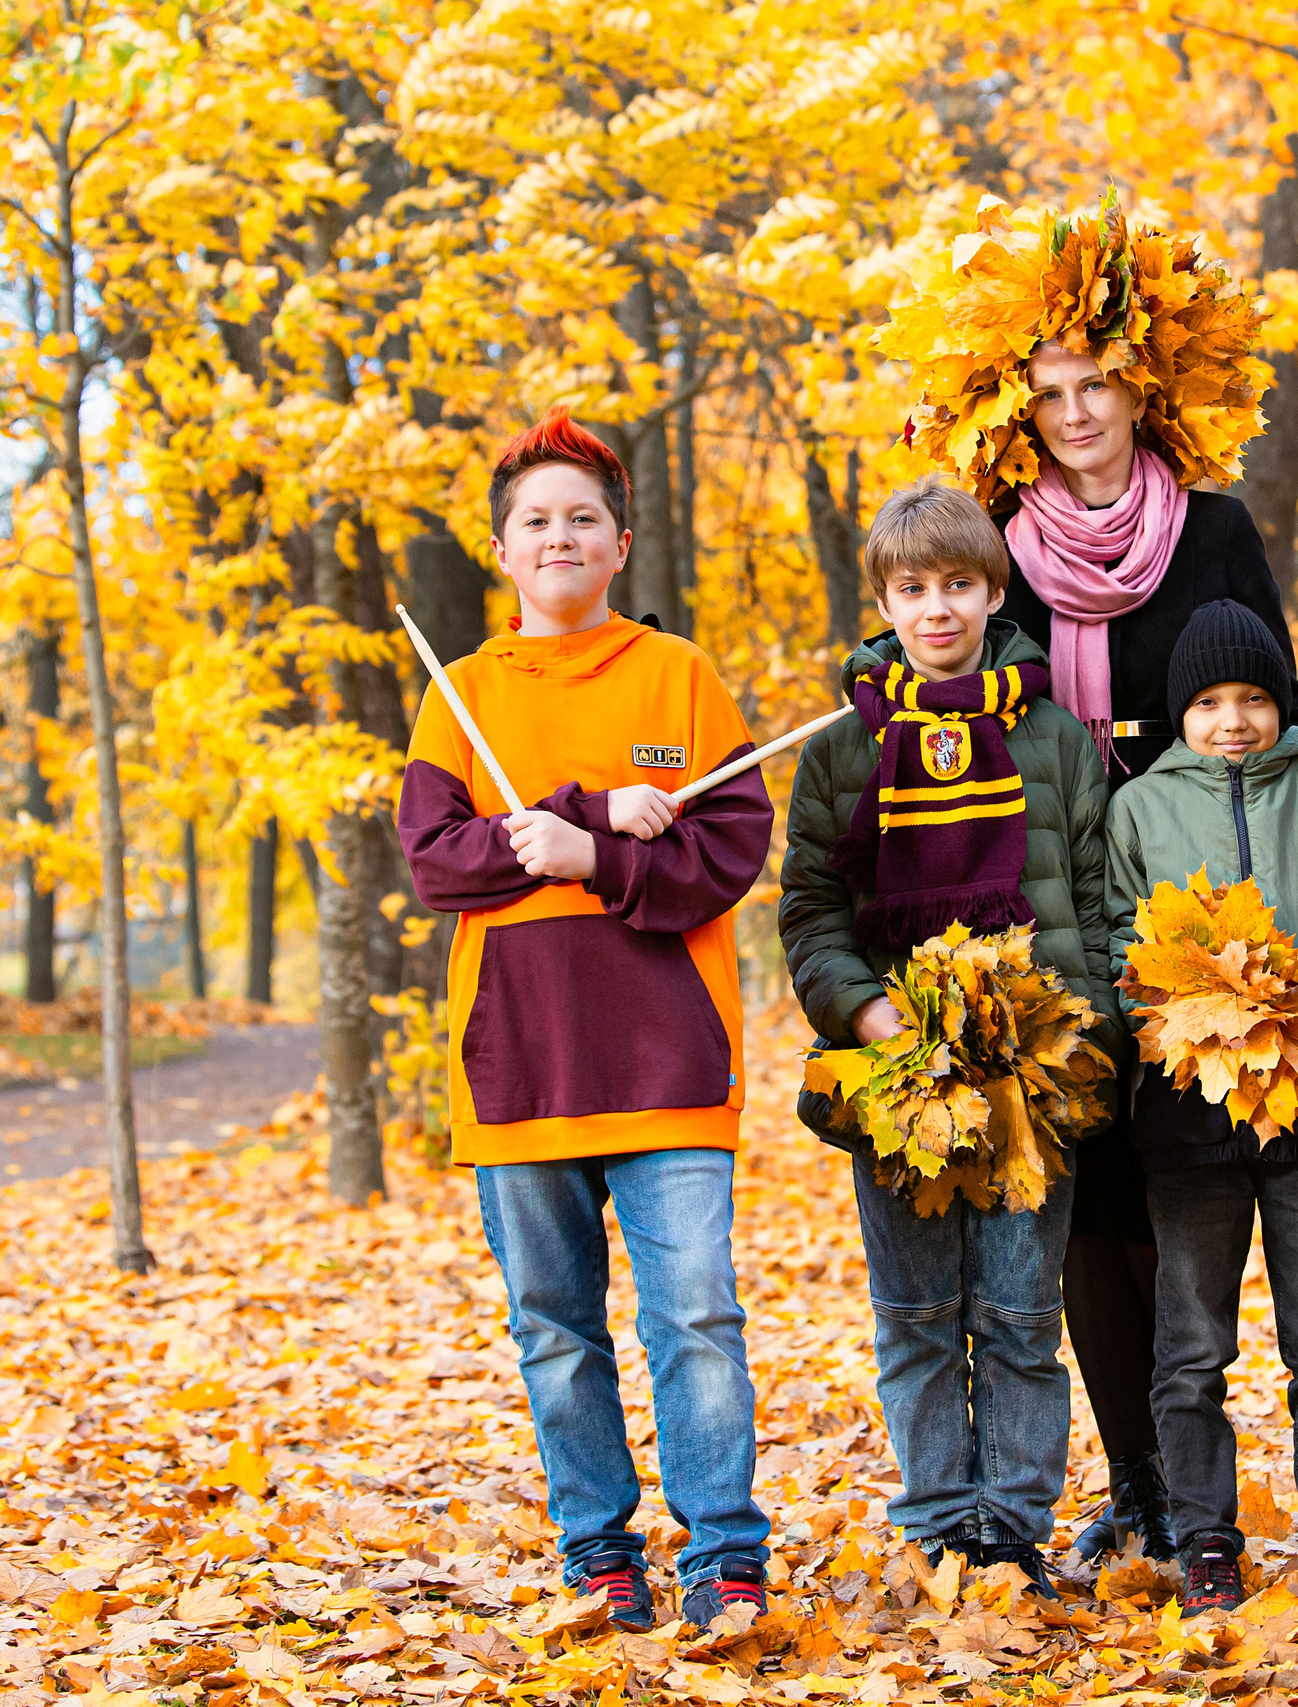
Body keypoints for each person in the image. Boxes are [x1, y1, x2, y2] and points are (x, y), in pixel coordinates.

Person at [397, 412, 776, 1633]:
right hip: (520, 1065)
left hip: (669, 1057)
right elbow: (437, 862)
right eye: (534, 520)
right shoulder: (461, 694)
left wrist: (594, 860)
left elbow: (729, 853)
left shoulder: (679, 677)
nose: (557, 535)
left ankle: (725, 1552)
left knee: (696, 1319)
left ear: (619, 544)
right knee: (555, 1332)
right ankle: (599, 1553)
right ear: (502, 550)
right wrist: (590, 813)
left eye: (582, 517)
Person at [990, 342, 1298, 1563]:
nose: (1075, 413)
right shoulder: (995, 544)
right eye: (1049, 395)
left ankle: (1191, 1478)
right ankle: (1135, 1484)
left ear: (1138, 393)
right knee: (1087, 1200)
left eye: (1096, 386)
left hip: (1192, 903)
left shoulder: (1213, 532)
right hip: (1052, 899)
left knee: (1179, 1194)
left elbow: (1278, 713)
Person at [777, 478, 1116, 1599]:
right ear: (883, 600)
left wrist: (1089, 1041)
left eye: (959, 585)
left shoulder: (1053, 738)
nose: (938, 609)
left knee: (1019, 1313)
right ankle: (934, 1523)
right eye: (914, 588)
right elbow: (811, 912)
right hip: (898, 1074)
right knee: (917, 1313)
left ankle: (1009, 1526)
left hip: (1031, 1073)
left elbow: (1097, 900)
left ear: (993, 592)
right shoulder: (842, 749)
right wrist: (866, 1013)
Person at [1103, 602, 1298, 1614]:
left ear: (1283, 704)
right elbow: (1118, 938)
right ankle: (1205, 1539)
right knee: (1191, 1348)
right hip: (1190, 1115)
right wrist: (1170, 1022)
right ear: (1180, 714)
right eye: (1209, 704)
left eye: (1253, 700)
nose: (1232, 721)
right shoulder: (1141, 808)